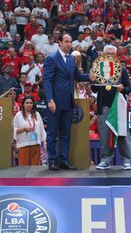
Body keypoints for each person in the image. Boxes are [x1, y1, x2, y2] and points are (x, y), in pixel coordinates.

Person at [43, 33, 94, 171]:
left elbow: (77, 76)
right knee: (52, 133)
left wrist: (89, 76)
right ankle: (52, 160)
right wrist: (50, 100)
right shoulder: (51, 58)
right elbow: (47, 81)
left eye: (70, 41)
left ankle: (64, 160)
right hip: (55, 102)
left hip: (68, 102)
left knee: (66, 134)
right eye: (66, 41)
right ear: (59, 42)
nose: (69, 44)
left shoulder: (71, 59)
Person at [91, 45, 131, 170]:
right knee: (104, 135)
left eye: (112, 53)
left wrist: (122, 88)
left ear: (115, 55)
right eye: (107, 53)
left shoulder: (122, 70)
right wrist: (92, 80)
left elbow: (128, 88)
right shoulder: (98, 70)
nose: (110, 55)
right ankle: (105, 160)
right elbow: (94, 88)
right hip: (103, 106)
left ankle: (127, 160)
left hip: (118, 107)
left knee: (122, 134)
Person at [13, 96, 46, 166]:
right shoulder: (18, 115)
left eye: (31, 103)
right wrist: (24, 129)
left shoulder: (37, 114)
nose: (29, 104)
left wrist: (45, 142)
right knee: (23, 169)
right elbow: (13, 130)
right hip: (23, 146)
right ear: (23, 105)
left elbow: (42, 129)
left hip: (36, 145)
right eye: (27, 103)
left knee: (35, 170)